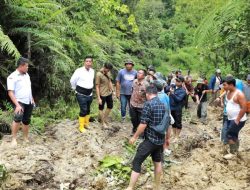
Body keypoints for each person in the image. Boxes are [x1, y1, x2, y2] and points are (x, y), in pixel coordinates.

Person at [126, 85, 166, 190]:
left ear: (148, 94)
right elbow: (167, 123)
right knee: (157, 163)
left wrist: (134, 137)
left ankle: (130, 188)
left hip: (150, 140)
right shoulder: (163, 105)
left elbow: (143, 124)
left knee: (137, 162)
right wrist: (166, 140)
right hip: (160, 140)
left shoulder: (148, 104)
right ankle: (157, 187)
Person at [7, 57, 35, 146]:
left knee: (26, 120)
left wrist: (32, 99)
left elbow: (28, 88)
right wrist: (17, 105)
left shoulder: (27, 75)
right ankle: (14, 139)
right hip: (19, 101)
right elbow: (10, 92)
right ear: (21, 66)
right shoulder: (12, 77)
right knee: (17, 119)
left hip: (29, 101)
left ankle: (25, 138)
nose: (28, 68)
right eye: (26, 66)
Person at [222, 76, 247, 159]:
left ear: (231, 85)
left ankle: (232, 153)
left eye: (225, 85)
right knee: (234, 134)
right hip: (230, 118)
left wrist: (237, 119)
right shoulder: (228, 92)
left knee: (229, 134)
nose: (223, 87)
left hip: (237, 119)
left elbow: (244, 108)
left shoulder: (239, 94)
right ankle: (236, 151)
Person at [70, 56, 95, 132]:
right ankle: (81, 127)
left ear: (92, 63)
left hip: (89, 93)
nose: (88, 63)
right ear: (84, 62)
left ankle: (86, 123)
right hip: (81, 94)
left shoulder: (92, 71)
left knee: (88, 109)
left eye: (90, 61)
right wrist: (75, 88)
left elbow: (91, 81)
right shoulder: (79, 71)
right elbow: (72, 80)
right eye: (86, 61)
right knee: (83, 110)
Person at [153, 79, 173, 156]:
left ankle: (162, 150)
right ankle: (164, 149)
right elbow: (168, 107)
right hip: (166, 117)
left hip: (160, 119)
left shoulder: (156, 97)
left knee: (161, 135)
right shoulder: (165, 95)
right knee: (165, 135)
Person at [130, 69, 149, 135]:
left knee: (141, 120)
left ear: (144, 76)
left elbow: (148, 94)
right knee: (133, 118)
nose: (138, 74)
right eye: (138, 72)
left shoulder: (146, 84)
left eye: (140, 73)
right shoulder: (134, 81)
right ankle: (135, 129)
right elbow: (132, 90)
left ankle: (141, 133)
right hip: (133, 103)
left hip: (142, 105)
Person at [95, 63, 114, 128]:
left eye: (109, 70)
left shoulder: (108, 72)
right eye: (107, 69)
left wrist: (112, 90)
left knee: (110, 106)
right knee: (101, 108)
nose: (108, 71)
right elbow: (97, 86)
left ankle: (104, 119)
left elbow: (109, 81)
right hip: (102, 94)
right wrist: (99, 98)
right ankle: (103, 123)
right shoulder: (98, 74)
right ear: (104, 67)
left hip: (109, 93)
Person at [169, 75, 186, 140]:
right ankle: (174, 135)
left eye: (178, 81)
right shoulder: (173, 87)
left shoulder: (182, 91)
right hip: (171, 108)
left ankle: (177, 136)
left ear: (182, 82)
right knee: (173, 122)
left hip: (177, 109)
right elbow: (166, 88)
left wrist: (172, 94)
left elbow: (178, 99)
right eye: (176, 80)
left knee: (178, 122)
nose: (177, 82)